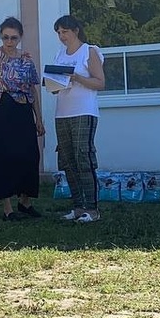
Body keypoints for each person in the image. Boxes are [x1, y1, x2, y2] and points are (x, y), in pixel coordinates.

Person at [0, 17, 44, 221]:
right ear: (1, 36)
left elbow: (32, 88)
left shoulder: (26, 59)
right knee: (3, 156)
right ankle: (7, 208)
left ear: (20, 37)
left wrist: (39, 118)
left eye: (13, 38)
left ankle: (25, 202)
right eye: (6, 37)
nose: (9, 41)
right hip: (0, 108)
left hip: (23, 109)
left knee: (29, 155)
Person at [50, 14, 106, 223]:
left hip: (84, 111)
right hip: (62, 112)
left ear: (75, 31)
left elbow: (100, 83)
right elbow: (56, 88)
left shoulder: (89, 51)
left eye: (64, 31)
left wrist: (77, 77)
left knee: (83, 157)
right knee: (67, 159)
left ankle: (92, 209)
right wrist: (53, 83)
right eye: (58, 33)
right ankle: (77, 206)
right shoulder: (59, 55)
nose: (61, 36)